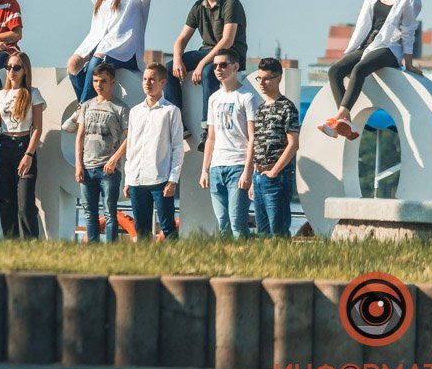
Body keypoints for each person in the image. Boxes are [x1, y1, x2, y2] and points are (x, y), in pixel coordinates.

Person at [316, 0, 423, 141]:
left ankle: (341, 118)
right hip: (367, 44)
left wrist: (409, 63)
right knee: (335, 71)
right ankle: (344, 120)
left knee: (360, 68)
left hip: (389, 49)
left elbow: (409, 31)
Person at [165, 0, 247, 142]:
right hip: (208, 51)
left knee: (211, 71)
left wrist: (202, 63)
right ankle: (177, 124)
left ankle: (207, 128)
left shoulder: (230, 3)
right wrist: (178, 60)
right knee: (168, 68)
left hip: (231, 54)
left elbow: (227, 40)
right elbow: (181, 39)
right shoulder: (198, 6)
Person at [197, 48, 257, 238]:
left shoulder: (248, 97)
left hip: (238, 166)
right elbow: (211, 137)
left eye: (223, 65)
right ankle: (228, 263)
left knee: (237, 222)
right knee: (223, 222)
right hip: (216, 168)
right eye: (215, 66)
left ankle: (245, 264)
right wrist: (205, 169)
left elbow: (253, 137)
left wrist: (249, 170)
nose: (218, 69)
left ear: (235, 67)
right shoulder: (214, 98)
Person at [121, 64, 183, 240]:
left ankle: (173, 266)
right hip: (137, 179)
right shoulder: (135, 112)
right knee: (141, 231)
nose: (147, 83)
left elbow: (178, 147)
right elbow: (131, 146)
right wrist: (128, 179)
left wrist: (173, 179)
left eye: (152, 79)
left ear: (162, 82)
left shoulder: (171, 111)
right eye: (145, 79)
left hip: (160, 179)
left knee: (168, 228)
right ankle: (145, 265)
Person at [0, 52, 45, 238]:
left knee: (25, 203)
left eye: (16, 67)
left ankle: (30, 246)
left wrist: (29, 154)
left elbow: (37, 127)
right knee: (5, 201)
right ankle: (11, 245)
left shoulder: (32, 93)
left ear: (25, 70)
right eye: (9, 67)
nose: (11, 71)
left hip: (24, 145)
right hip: (3, 147)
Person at [74, 63, 128, 243]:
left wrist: (114, 159)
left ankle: (111, 251)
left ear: (112, 81)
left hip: (109, 170)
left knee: (110, 212)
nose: (99, 85)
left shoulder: (120, 107)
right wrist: (79, 164)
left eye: (103, 81)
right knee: (89, 213)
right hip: (87, 167)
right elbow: (80, 136)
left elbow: (130, 138)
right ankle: (93, 249)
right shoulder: (87, 105)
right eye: (96, 81)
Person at [252, 58, 300, 237]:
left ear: (279, 78)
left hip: (277, 176)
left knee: (278, 230)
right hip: (258, 176)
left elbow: (293, 144)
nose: (262, 83)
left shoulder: (287, 108)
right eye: (259, 79)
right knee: (262, 231)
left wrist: (274, 172)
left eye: (267, 79)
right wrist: (253, 176)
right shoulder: (260, 109)